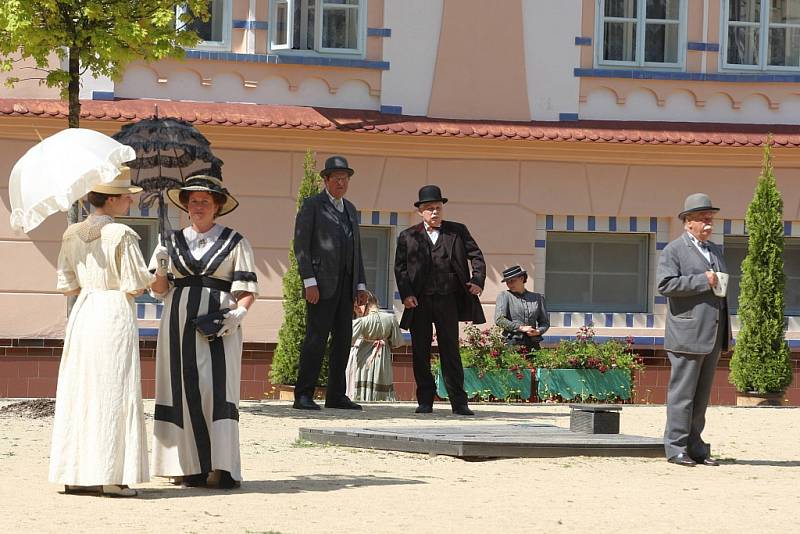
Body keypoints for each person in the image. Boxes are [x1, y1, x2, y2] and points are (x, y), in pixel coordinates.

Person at [149, 175, 258, 489]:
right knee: (180, 388)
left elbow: (246, 288)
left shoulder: (236, 241)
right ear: (185, 204)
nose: (198, 206)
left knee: (217, 389)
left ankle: (222, 467)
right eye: (193, 200)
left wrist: (239, 314)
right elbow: (159, 289)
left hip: (220, 324)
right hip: (177, 322)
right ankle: (188, 466)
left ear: (218, 206)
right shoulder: (168, 241)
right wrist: (158, 268)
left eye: (205, 201)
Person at [49, 169, 153, 497]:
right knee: (115, 390)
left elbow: (67, 285)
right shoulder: (121, 233)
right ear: (110, 199)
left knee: (80, 390)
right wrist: (158, 267)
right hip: (113, 312)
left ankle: (77, 474)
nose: (131, 200)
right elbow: (136, 283)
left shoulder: (71, 234)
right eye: (125, 195)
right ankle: (113, 476)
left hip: (84, 311)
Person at [395, 185, 486, 416]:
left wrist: (477, 280)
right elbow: (401, 269)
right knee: (420, 351)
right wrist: (406, 295)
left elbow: (476, 256)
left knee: (450, 350)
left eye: (437, 208)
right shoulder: (408, 236)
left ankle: (459, 401)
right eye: (429, 209)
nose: (434, 212)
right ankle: (425, 400)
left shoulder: (457, 231)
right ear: (420, 212)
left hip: (449, 300)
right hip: (420, 302)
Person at [657, 193, 730, 467]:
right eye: (703, 219)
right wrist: (702, 280)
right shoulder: (673, 250)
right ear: (688, 222)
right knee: (682, 395)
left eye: (710, 219)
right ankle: (675, 447)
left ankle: (696, 447)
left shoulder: (716, 252)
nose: (709, 224)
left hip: (712, 333)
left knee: (701, 397)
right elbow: (665, 285)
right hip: (686, 334)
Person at [293, 155, 368, 411]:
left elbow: (357, 248)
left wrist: (360, 285)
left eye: (345, 179)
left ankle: (336, 395)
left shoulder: (350, 209)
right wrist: (308, 281)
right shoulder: (313, 205)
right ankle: (303, 394)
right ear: (325, 180)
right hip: (321, 285)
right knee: (316, 339)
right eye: (336, 178)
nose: (341, 183)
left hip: (346, 287)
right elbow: (301, 245)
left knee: (342, 340)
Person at [345, 291, 404, 401]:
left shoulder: (361, 321)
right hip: (383, 356)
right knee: (381, 378)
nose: (356, 310)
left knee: (364, 377)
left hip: (364, 355)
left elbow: (348, 339)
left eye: (357, 306)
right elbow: (397, 342)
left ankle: (364, 400)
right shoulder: (391, 318)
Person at [494, 265, 549, 352]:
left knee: (533, 365)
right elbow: (499, 319)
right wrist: (520, 328)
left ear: (522, 278)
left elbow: (545, 322)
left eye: (512, 280)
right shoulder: (504, 296)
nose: (510, 284)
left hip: (533, 343)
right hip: (512, 343)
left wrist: (538, 331)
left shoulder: (538, 298)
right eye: (507, 282)